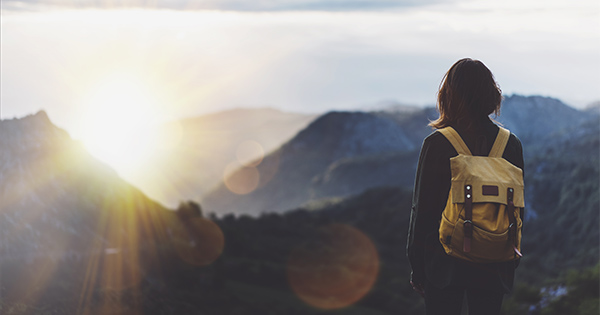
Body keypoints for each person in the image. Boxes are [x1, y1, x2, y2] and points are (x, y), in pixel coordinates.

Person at [406, 58, 524, 315]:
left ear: (448, 95)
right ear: (491, 95)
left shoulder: (438, 143)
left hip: (445, 263)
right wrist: (510, 256)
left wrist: (418, 266)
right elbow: (517, 209)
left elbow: (423, 211)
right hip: (495, 261)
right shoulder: (510, 144)